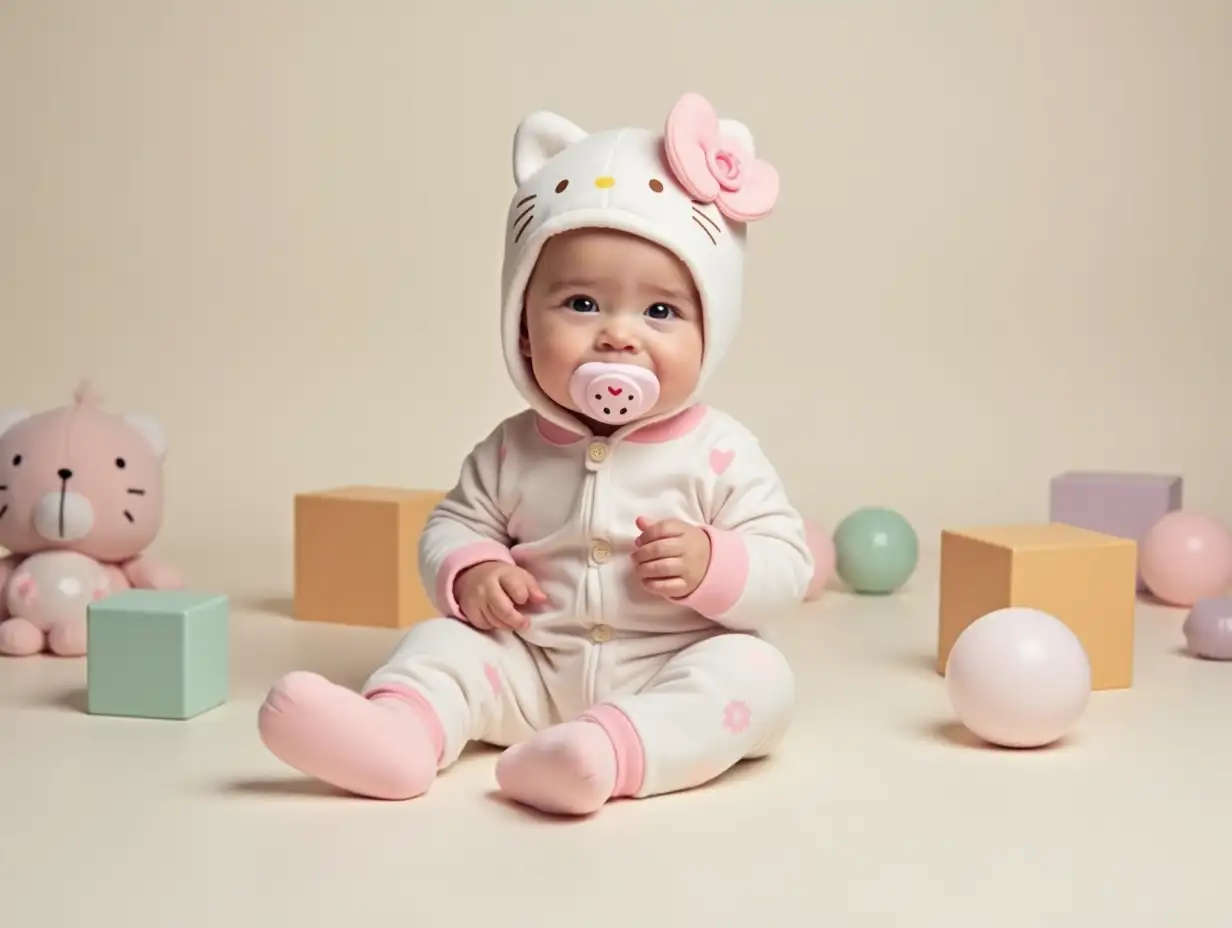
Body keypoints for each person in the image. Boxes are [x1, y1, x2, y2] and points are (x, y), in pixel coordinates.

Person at [257, 91, 814, 815]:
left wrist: (715, 562)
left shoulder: (721, 453)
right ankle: (399, 737)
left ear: (713, 331)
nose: (619, 336)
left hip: (665, 673)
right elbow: (451, 527)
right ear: (522, 323)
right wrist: (473, 569)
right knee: (438, 642)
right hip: (525, 668)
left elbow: (787, 560)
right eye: (582, 304)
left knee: (758, 675)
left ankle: (606, 754)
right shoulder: (511, 448)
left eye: (661, 311)